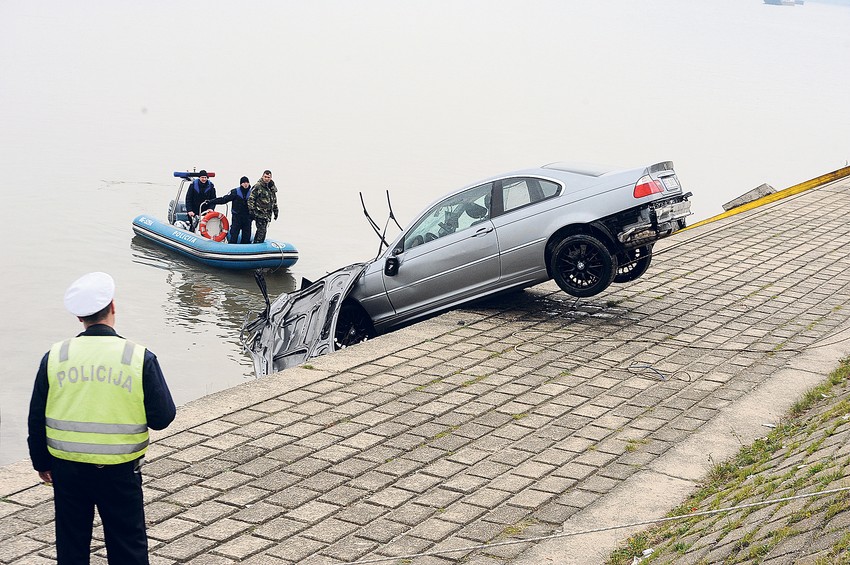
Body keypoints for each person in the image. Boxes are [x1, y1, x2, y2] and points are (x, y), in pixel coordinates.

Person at [27, 272, 177, 565]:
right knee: (127, 544)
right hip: (120, 471)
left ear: (79, 318)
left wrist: (41, 462)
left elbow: (36, 416)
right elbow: (162, 417)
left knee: (71, 544)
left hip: (67, 470)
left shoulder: (56, 356)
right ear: (113, 306)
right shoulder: (137, 357)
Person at [203, 176, 253, 244]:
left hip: (247, 218)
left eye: (247, 182)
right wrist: (211, 201)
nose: (246, 184)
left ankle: (246, 251)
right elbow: (223, 199)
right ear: (241, 184)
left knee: (246, 237)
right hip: (237, 217)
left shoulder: (252, 193)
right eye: (244, 182)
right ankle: (232, 250)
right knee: (234, 235)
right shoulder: (235, 192)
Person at [247, 169, 279, 243]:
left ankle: (258, 244)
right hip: (259, 213)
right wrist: (252, 211)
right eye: (265, 177)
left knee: (263, 231)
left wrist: (276, 211)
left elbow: (273, 200)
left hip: (267, 214)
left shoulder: (272, 188)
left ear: (271, 178)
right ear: (262, 177)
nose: (267, 179)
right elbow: (251, 199)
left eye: (268, 177)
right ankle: (256, 245)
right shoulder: (258, 186)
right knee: (261, 231)